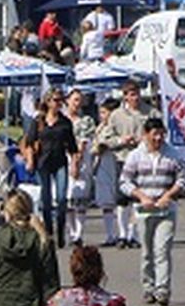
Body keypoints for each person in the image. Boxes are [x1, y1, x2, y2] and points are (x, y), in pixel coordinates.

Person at [119, 118, 185, 306]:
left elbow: (183, 179)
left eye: (161, 134)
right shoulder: (135, 156)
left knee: (162, 250)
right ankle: (148, 287)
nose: (158, 138)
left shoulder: (172, 154)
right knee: (147, 252)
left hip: (166, 210)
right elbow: (125, 181)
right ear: (146, 135)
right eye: (154, 134)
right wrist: (140, 196)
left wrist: (169, 195)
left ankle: (162, 289)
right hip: (144, 210)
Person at [25, 88, 79, 247]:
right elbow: (29, 142)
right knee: (46, 200)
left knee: (62, 199)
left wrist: (75, 164)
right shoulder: (39, 122)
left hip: (60, 162)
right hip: (43, 163)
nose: (58, 103)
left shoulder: (65, 122)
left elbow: (73, 147)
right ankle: (49, 232)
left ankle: (61, 231)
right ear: (48, 102)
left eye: (60, 100)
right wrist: (30, 161)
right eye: (55, 100)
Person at [109, 82, 152, 249]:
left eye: (137, 94)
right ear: (125, 96)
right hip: (122, 157)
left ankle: (133, 234)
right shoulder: (116, 115)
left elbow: (159, 132)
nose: (135, 98)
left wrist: (145, 139)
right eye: (131, 95)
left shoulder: (149, 112)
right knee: (121, 199)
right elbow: (107, 137)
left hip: (141, 160)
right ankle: (121, 234)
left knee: (137, 197)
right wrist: (121, 140)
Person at [65, 88, 97, 246]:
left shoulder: (86, 121)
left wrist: (76, 162)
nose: (77, 103)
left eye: (79, 100)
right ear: (68, 101)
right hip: (64, 158)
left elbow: (83, 143)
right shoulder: (62, 119)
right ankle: (71, 232)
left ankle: (79, 233)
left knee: (80, 198)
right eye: (74, 99)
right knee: (68, 198)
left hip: (81, 159)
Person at [91, 98, 125, 247]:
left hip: (114, 162)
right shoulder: (99, 128)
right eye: (101, 113)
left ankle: (124, 233)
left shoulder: (117, 127)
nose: (102, 116)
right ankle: (110, 234)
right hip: (101, 165)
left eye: (105, 112)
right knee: (106, 201)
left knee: (119, 199)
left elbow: (107, 144)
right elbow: (96, 145)